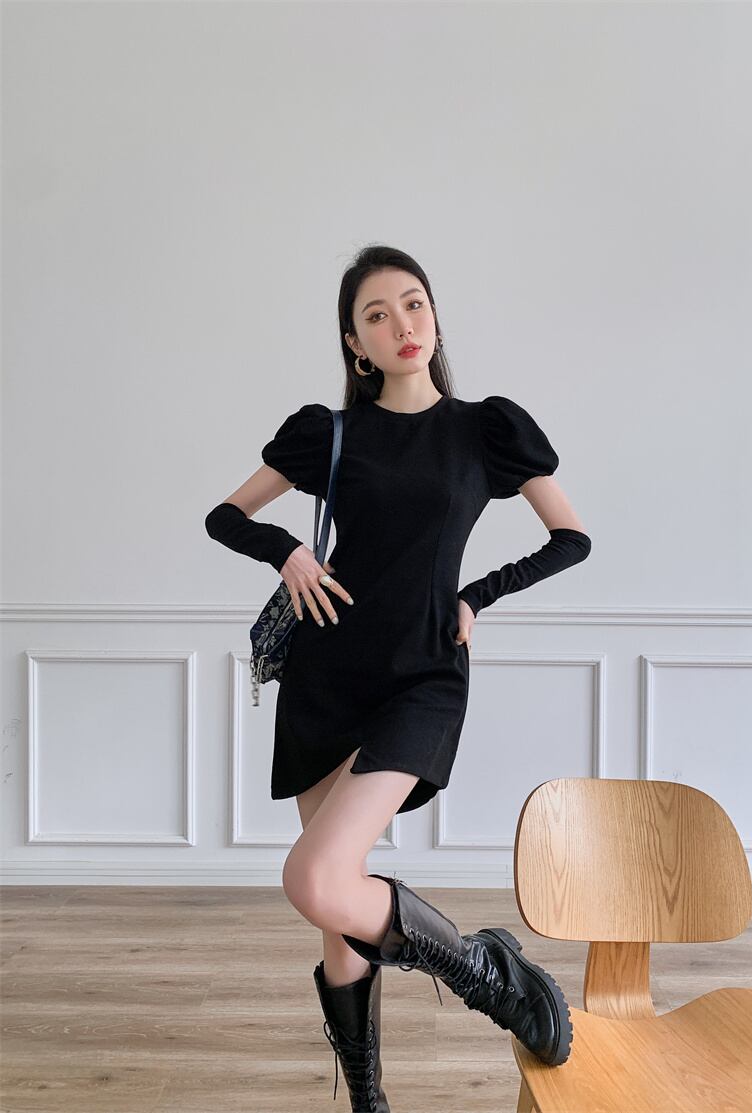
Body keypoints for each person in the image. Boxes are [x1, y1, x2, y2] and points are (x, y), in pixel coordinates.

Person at [205, 244, 592, 1112]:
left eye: (413, 304)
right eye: (376, 315)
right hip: (325, 675)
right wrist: (287, 550)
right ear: (355, 344)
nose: (401, 325)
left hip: (423, 673)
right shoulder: (329, 432)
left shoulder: (485, 429)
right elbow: (224, 516)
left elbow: (570, 538)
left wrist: (477, 595)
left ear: (435, 317)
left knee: (314, 877)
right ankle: (368, 1098)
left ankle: (485, 970)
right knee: (335, 909)